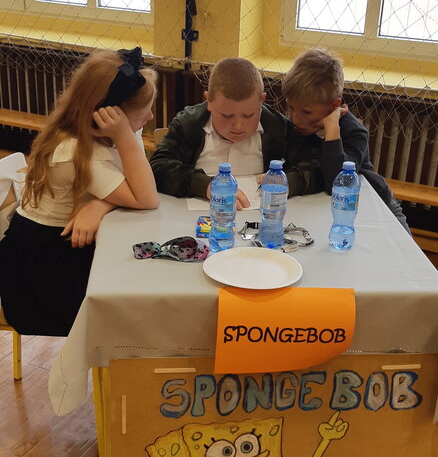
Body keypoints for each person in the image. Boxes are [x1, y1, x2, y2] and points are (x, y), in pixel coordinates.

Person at [0, 46, 159, 337]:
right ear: (109, 117)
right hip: (43, 267)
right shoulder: (77, 152)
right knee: (130, 310)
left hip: (61, 245)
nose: (150, 116)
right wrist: (125, 135)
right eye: (144, 111)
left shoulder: (94, 132)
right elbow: (147, 198)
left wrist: (100, 204)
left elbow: (137, 185)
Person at [150, 57, 323, 207]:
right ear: (209, 101)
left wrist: (288, 182)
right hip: (201, 220)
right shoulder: (189, 125)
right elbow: (158, 167)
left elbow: (317, 165)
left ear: (261, 101)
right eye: (227, 116)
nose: (238, 126)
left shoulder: (278, 128)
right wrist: (205, 186)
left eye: (249, 115)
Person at [282, 48, 410, 231]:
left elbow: (337, 182)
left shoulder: (354, 132)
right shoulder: (297, 126)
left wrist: (332, 128)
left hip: (376, 204)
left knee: (402, 245)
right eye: (290, 107)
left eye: (306, 112)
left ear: (334, 105)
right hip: (324, 208)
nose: (295, 118)